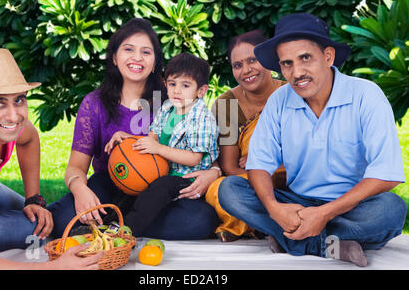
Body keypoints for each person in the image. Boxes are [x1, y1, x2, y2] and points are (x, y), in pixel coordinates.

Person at [218, 13, 407, 267]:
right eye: (286, 63)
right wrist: (274, 208)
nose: (297, 72)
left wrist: (324, 213)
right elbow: (258, 164)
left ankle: (291, 239)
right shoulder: (270, 101)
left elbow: (387, 173)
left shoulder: (366, 95)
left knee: (391, 210)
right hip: (296, 202)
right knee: (230, 190)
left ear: (328, 57)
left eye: (305, 58)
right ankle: (328, 243)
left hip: (351, 205)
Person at [48, 18, 220, 240]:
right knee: (62, 220)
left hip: (160, 188)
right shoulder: (94, 103)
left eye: (146, 52)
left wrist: (213, 173)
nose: (137, 58)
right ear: (114, 57)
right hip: (112, 183)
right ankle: (123, 222)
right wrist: (80, 190)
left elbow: (201, 148)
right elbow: (75, 167)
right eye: (128, 49)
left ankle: (114, 225)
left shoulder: (171, 100)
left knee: (200, 220)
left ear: (155, 61)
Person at [0, 48, 103, 269]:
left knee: (41, 220)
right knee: (34, 232)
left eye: (18, 100)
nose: (14, 115)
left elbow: (29, 138)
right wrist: (53, 268)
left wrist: (33, 198)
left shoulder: (6, 125)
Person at [106, 52, 219, 237]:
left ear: (201, 91)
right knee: (132, 184)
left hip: (186, 177)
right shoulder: (167, 108)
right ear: (165, 84)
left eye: (185, 85)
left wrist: (158, 149)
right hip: (161, 169)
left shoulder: (202, 119)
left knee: (160, 187)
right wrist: (128, 138)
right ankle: (109, 223)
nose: (177, 91)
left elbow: (193, 158)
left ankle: (128, 231)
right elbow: (152, 138)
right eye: (172, 84)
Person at [207, 30, 287, 242]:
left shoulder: (293, 93)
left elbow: (311, 152)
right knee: (220, 189)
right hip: (249, 182)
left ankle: (254, 222)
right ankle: (279, 221)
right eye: (238, 65)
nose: (246, 70)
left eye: (253, 60)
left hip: (294, 179)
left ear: (270, 59)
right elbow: (231, 168)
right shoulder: (227, 105)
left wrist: (266, 158)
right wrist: (259, 174)